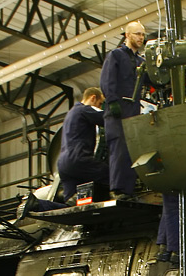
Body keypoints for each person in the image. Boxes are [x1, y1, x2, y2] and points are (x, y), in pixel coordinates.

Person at [100, 21, 147, 197]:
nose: (140, 37)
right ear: (127, 35)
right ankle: (117, 189)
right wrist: (112, 102)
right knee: (119, 147)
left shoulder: (141, 62)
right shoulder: (116, 55)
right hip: (118, 108)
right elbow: (107, 79)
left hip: (133, 109)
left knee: (132, 148)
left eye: (142, 34)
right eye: (137, 34)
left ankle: (129, 188)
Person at [56, 86, 107, 202]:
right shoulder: (84, 109)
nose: (99, 107)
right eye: (100, 104)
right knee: (109, 174)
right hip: (78, 159)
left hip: (63, 165)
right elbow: (107, 118)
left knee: (71, 203)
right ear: (93, 98)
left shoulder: (70, 114)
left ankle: (39, 204)